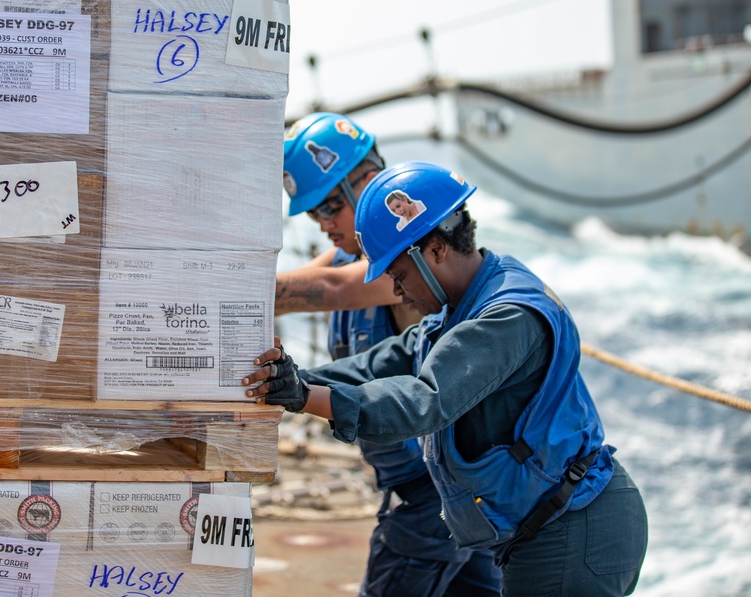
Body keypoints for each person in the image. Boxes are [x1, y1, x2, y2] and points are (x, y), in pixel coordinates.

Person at [249, 160, 648, 596]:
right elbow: (388, 361)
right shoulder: (461, 308)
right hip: (526, 526)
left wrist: (306, 396)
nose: (396, 292)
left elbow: (426, 400)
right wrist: (290, 380)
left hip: (571, 530)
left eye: (398, 275)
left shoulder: (506, 315)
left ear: (436, 249)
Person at [277, 113, 501, 597]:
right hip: (444, 491)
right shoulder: (347, 259)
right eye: (314, 214)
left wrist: (222, 290)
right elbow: (301, 281)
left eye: (330, 207)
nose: (324, 225)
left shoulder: (409, 264)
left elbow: (330, 288)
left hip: (436, 494)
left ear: (368, 179)